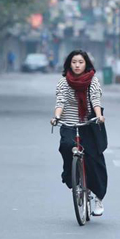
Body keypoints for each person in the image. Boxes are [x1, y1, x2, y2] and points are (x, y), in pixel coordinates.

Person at [51, 50, 107, 216]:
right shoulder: (63, 82)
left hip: (88, 123)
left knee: (94, 159)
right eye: (74, 62)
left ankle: (98, 198)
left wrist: (99, 116)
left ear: (86, 64)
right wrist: (56, 116)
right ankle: (73, 177)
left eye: (80, 62)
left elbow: (96, 99)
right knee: (66, 145)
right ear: (69, 63)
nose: (77, 65)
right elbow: (60, 101)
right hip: (68, 123)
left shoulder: (93, 81)